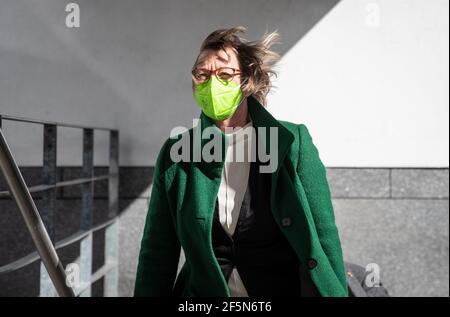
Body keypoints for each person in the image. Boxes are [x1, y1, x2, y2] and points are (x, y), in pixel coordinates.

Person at [134, 26, 348, 297]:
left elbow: (324, 234)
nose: (211, 84)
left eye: (224, 74)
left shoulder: (294, 141)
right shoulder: (176, 152)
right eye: (202, 75)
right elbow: (157, 250)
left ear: (247, 81)